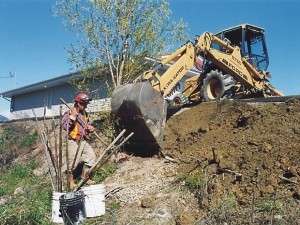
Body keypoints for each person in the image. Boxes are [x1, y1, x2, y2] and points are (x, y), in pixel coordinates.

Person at [62, 93, 96, 189]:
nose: (85, 106)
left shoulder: (85, 114)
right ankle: (70, 182)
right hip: (73, 141)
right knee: (73, 162)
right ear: (78, 103)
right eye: (84, 104)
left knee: (91, 157)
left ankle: (85, 178)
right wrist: (72, 117)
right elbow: (65, 127)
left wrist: (90, 128)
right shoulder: (68, 113)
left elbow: (87, 124)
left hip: (83, 141)